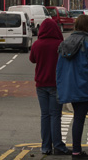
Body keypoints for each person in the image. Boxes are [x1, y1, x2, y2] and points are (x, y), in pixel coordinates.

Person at [56, 14, 88, 159]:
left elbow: (60, 66)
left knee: (77, 118)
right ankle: (76, 152)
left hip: (70, 85)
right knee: (79, 118)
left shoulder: (66, 42)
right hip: (86, 84)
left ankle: (76, 151)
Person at [30, 17, 71, 155]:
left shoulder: (37, 44)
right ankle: (58, 145)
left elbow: (32, 59)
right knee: (55, 115)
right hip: (56, 84)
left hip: (40, 84)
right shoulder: (60, 44)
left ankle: (45, 146)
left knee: (45, 115)